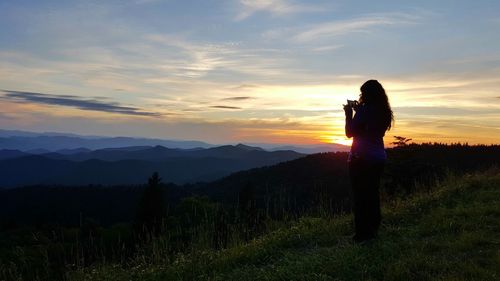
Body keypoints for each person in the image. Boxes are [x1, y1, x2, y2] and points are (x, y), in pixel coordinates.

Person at [344, 80, 394, 243]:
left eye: (363, 93)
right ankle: (373, 230)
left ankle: (361, 235)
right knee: (372, 194)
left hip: (361, 159)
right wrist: (360, 110)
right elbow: (371, 129)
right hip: (378, 158)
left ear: (367, 94)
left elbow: (350, 132)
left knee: (360, 197)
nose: (361, 96)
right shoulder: (384, 112)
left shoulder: (364, 111)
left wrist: (348, 114)